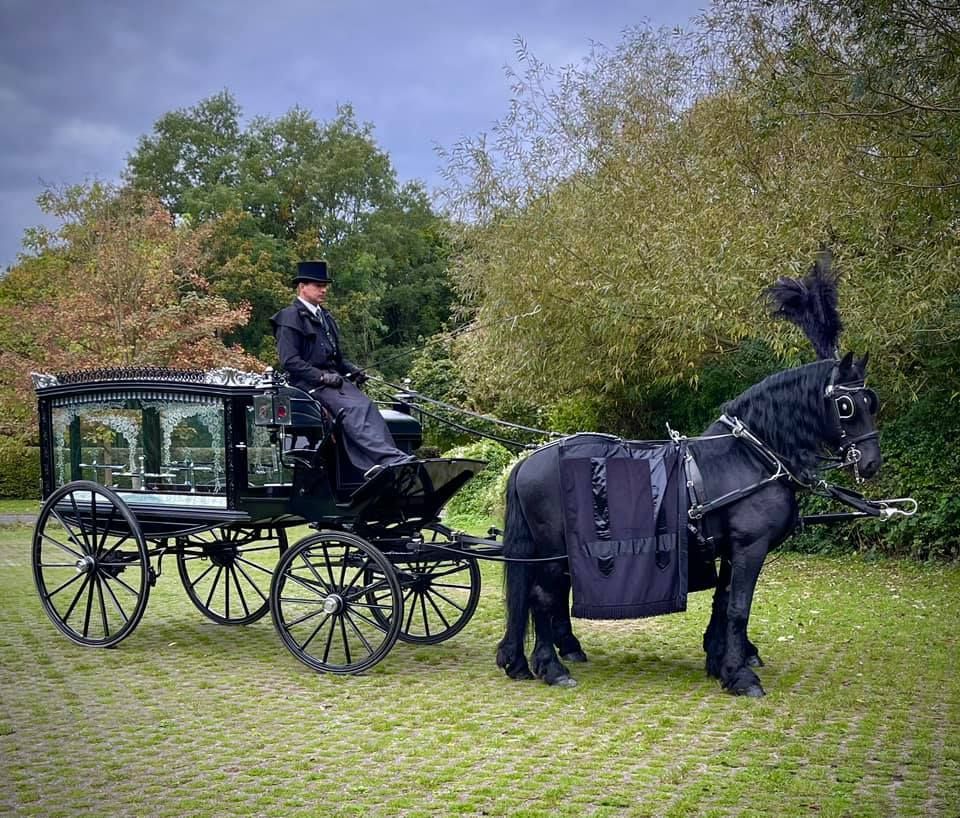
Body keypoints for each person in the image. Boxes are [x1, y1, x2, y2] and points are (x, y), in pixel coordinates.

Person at [270, 260, 413, 478]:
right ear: (302, 287)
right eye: (318, 285)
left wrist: (353, 370)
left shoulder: (326, 317)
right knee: (353, 410)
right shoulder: (289, 317)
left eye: (324, 285)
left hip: (334, 382)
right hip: (307, 384)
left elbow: (336, 358)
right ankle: (385, 461)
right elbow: (290, 361)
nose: (324, 289)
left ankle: (386, 460)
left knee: (366, 405)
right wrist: (322, 377)